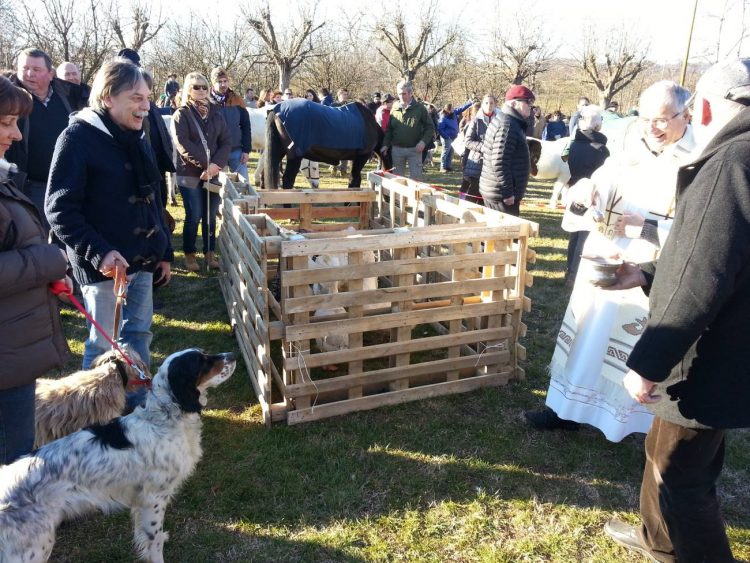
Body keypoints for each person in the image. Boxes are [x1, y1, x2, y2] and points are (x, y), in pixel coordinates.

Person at [602, 57, 750, 563]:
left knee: (680, 476)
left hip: (710, 353)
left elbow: (701, 274)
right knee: (672, 454)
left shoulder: (732, 162)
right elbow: (728, 260)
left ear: (704, 107)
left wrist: (648, 361)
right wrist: (646, 276)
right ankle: (657, 539)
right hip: (735, 344)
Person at [527, 80, 695, 440]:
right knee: (588, 334)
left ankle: (634, 423)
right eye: (648, 117)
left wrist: (645, 227)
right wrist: (586, 190)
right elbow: (591, 189)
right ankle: (566, 409)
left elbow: (699, 231)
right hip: (605, 254)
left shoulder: (696, 160)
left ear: (687, 114)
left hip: (648, 266)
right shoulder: (629, 148)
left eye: (664, 119)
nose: (653, 126)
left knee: (630, 346)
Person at [45, 58, 173, 370]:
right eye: (136, 98)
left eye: (147, 98)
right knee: (104, 346)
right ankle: (94, 418)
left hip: (142, 260)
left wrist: (164, 251)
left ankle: (137, 407)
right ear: (108, 98)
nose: (145, 107)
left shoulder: (137, 137)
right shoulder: (76, 139)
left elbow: (153, 198)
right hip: (104, 268)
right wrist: (99, 252)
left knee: (138, 335)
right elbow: (59, 209)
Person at [0, 76, 70, 464]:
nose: (17, 135)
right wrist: (49, 261)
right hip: (6, 354)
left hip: (13, 346)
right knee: (12, 460)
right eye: (7, 123)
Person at [6, 48, 85, 231]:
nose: (29, 74)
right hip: (30, 186)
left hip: (69, 182)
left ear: (51, 74)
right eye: (24, 68)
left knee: (68, 235)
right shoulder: (9, 100)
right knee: (34, 236)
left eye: (36, 69)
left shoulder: (69, 95)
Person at [172, 72, 230, 272]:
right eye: (196, 87)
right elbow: (183, 144)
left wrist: (215, 166)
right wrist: (206, 164)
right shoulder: (182, 113)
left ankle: (209, 252)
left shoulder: (216, 113)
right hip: (189, 173)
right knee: (194, 215)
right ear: (188, 89)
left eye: (204, 86)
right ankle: (189, 254)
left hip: (213, 172)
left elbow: (226, 142)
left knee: (210, 215)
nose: (201, 90)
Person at [559, 104, 609, 285]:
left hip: (574, 190)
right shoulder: (601, 150)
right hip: (590, 195)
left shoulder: (573, 145)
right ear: (597, 125)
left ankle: (569, 271)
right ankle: (574, 274)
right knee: (583, 235)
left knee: (575, 232)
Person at [478, 84, 534, 216]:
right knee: (504, 235)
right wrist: (508, 193)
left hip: (497, 192)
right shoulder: (507, 125)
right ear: (514, 103)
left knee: (496, 235)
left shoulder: (510, 122)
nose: (530, 106)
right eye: (527, 102)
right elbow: (499, 162)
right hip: (501, 196)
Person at [381, 80, 434, 180]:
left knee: (416, 180)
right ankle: (397, 197)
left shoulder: (420, 108)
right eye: (399, 94)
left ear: (411, 93)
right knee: (397, 180)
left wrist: (423, 142)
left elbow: (430, 127)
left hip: (415, 150)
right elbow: (389, 129)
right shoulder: (394, 108)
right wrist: (385, 144)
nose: (401, 96)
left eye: (404, 94)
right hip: (397, 150)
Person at [209, 67, 250, 182]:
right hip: (215, 153)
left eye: (225, 81)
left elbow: (246, 126)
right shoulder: (206, 102)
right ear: (213, 83)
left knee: (244, 185)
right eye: (219, 82)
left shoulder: (237, 100)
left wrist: (246, 150)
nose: (223, 84)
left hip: (236, 151)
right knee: (216, 188)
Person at [461, 95, 496, 203]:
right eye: (486, 103)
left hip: (491, 165)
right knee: (470, 195)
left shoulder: (499, 121)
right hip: (475, 163)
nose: (489, 105)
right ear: (482, 105)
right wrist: (484, 147)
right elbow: (468, 141)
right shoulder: (476, 121)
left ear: (495, 105)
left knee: (484, 198)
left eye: (491, 103)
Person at [437, 99, 473, 172]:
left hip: (454, 137)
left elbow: (461, 108)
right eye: (452, 109)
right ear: (448, 110)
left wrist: (470, 103)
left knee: (451, 152)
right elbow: (440, 129)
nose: (454, 109)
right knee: (445, 152)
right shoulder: (443, 118)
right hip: (447, 137)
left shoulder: (453, 113)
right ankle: (442, 167)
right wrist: (447, 137)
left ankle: (448, 166)